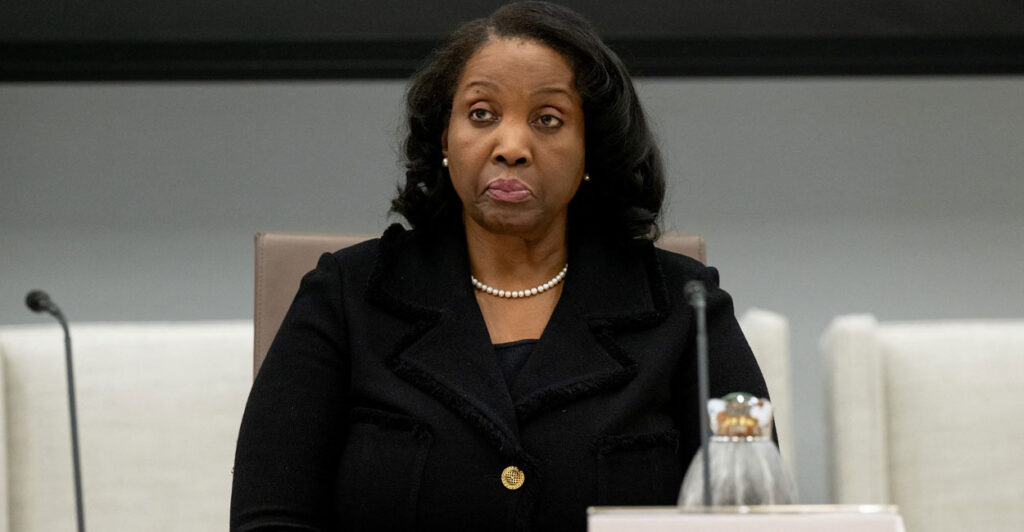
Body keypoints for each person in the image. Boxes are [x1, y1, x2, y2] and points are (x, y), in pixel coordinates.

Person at [230, 2, 770, 530]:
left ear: (591, 150)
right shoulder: (346, 296)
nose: (511, 146)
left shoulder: (684, 307)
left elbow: (751, 515)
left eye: (549, 119)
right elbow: (272, 516)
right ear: (445, 136)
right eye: (481, 114)